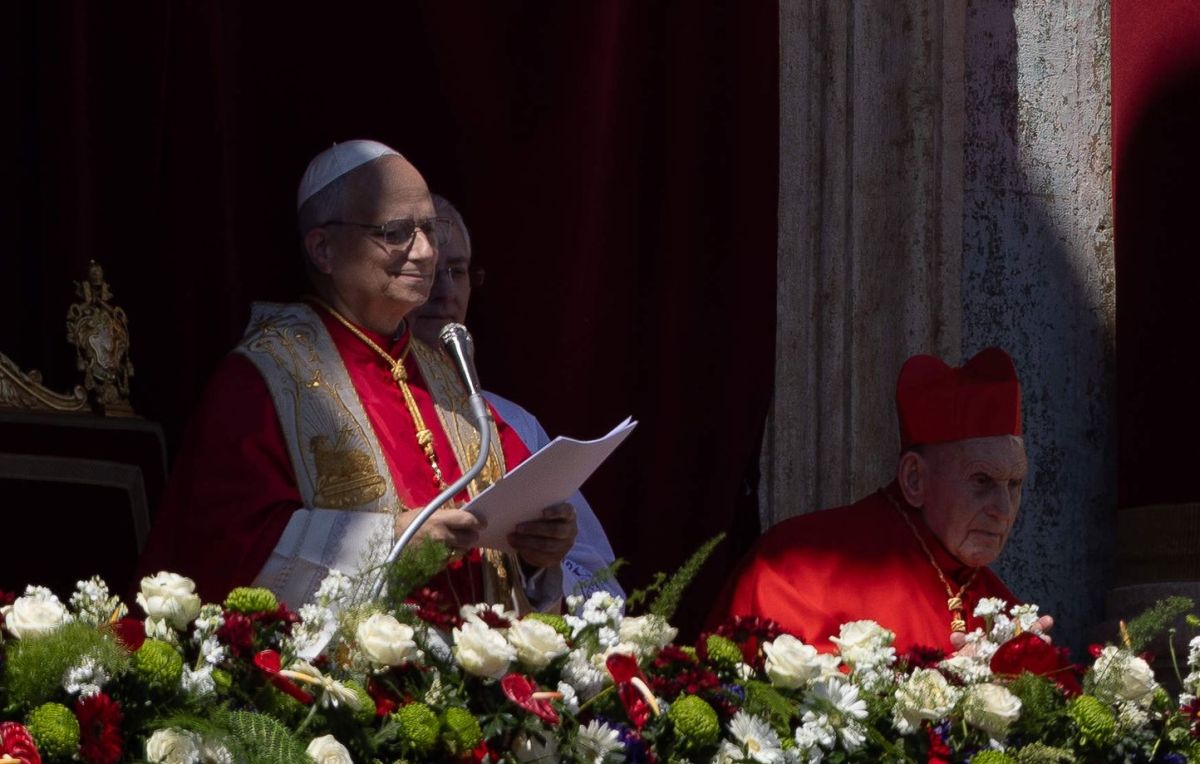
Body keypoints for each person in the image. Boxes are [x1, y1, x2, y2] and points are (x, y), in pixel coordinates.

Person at [138, 140, 576, 613]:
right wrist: (393, 541)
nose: (425, 252)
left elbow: (518, 505)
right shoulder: (263, 379)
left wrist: (538, 549)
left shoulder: (442, 373)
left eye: (430, 229)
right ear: (323, 249)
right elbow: (227, 550)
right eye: (396, 232)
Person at [711, 347, 1052, 655]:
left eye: (1014, 484)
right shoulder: (794, 571)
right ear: (915, 478)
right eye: (981, 480)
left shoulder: (1006, 614)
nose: (1003, 510)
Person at [411, 194, 624, 601]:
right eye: (429, 273)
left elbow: (602, 588)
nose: (445, 292)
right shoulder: (365, 412)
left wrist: (540, 560)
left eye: (457, 271)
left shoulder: (511, 423)